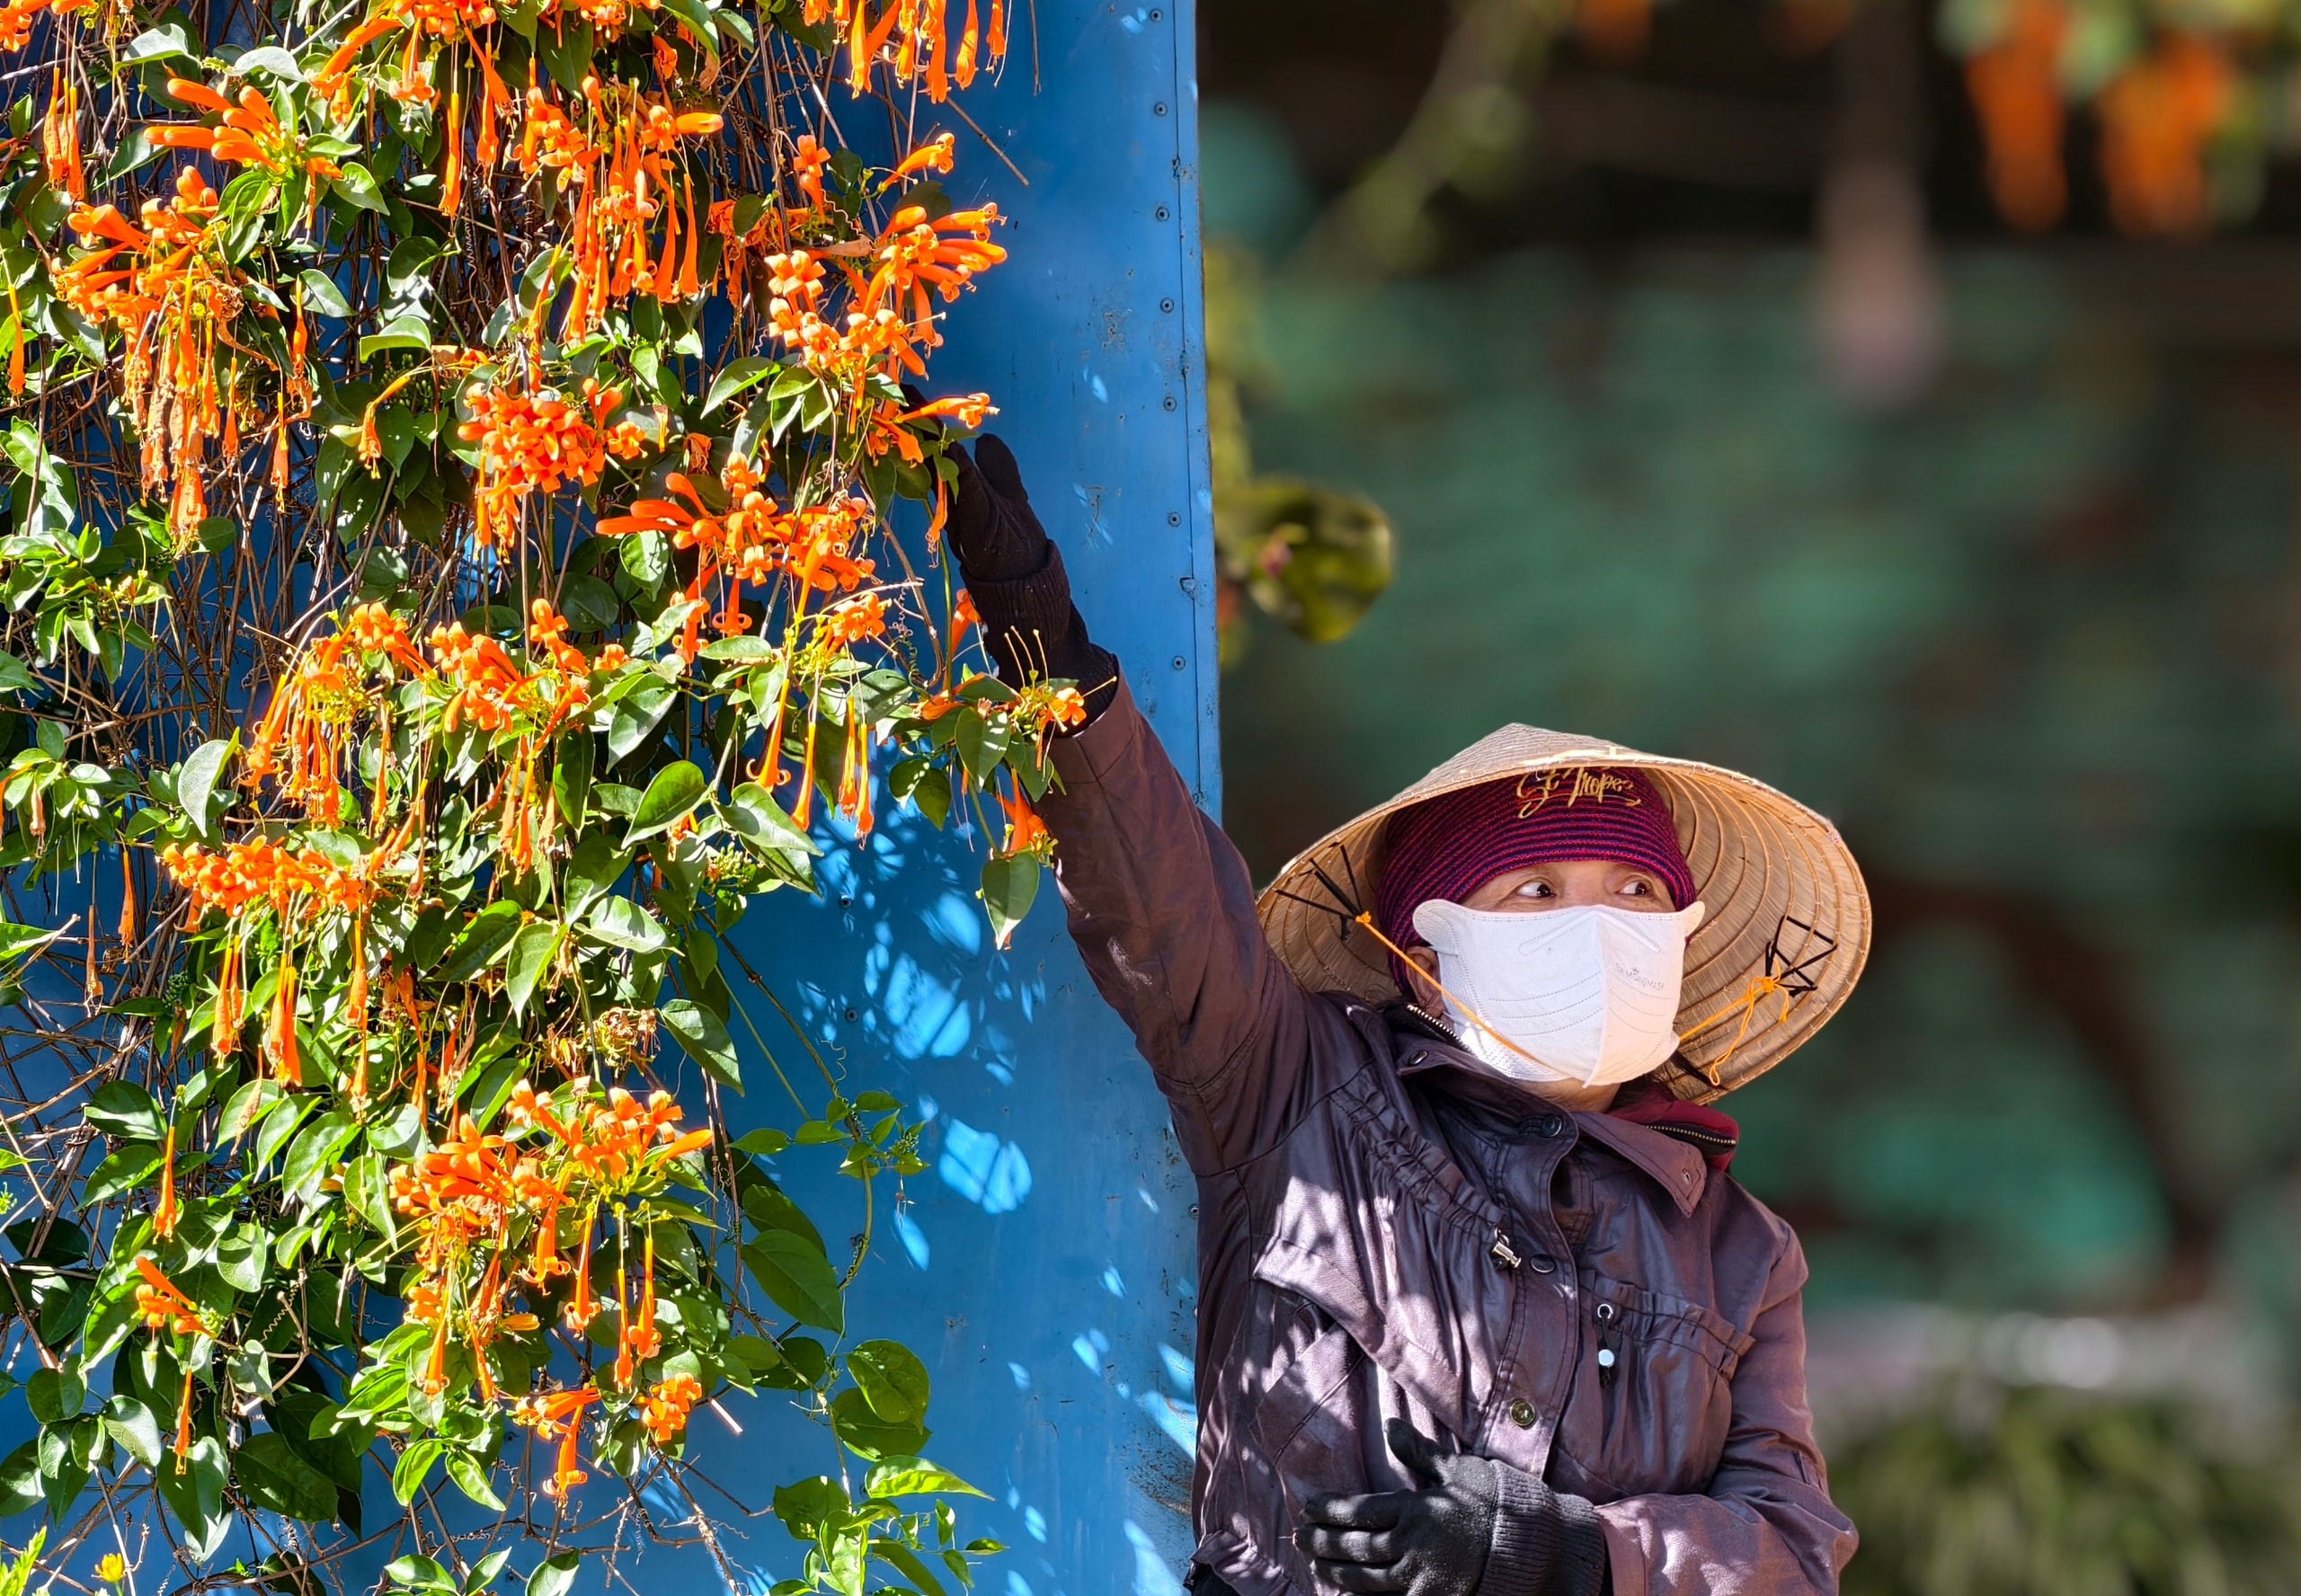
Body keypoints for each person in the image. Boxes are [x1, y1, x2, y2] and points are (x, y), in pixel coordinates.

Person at [942, 435, 1866, 1596]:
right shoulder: (1296, 1091)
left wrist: (1572, 1553)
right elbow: (1161, 902)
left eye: (1637, 893)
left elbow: (1793, 1553)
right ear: (1422, 953)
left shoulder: (1741, 1252)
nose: (1599, 925)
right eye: (1535, 891)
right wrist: (1052, 662)